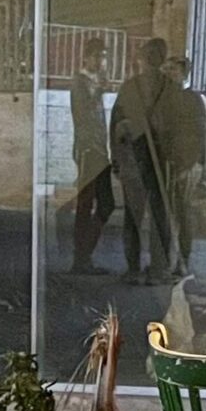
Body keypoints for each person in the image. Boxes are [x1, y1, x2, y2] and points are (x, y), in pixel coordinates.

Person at [110, 38, 175, 285]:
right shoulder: (169, 88)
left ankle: (135, 269)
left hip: (140, 160)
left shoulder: (130, 88)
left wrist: (116, 157)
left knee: (135, 216)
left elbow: (115, 127)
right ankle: (157, 270)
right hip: (153, 161)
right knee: (158, 216)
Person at [154, 54, 206, 278]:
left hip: (186, 163)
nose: (169, 74)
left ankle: (182, 260)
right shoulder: (164, 98)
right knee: (169, 214)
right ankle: (170, 261)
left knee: (182, 212)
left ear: (183, 73)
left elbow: (200, 133)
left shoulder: (191, 99)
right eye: (167, 71)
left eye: (173, 71)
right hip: (168, 162)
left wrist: (194, 163)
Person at [67, 38, 115, 274]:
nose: (101, 61)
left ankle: (84, 254)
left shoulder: (95, 82)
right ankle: (81, 258)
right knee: (86, 204)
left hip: (99, 149)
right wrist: (98, 91)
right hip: (88, 149)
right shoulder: (80, 82)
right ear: (86, 57)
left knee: (105, 204)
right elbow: (82, 114)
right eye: (97, 56)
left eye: (104, 56)